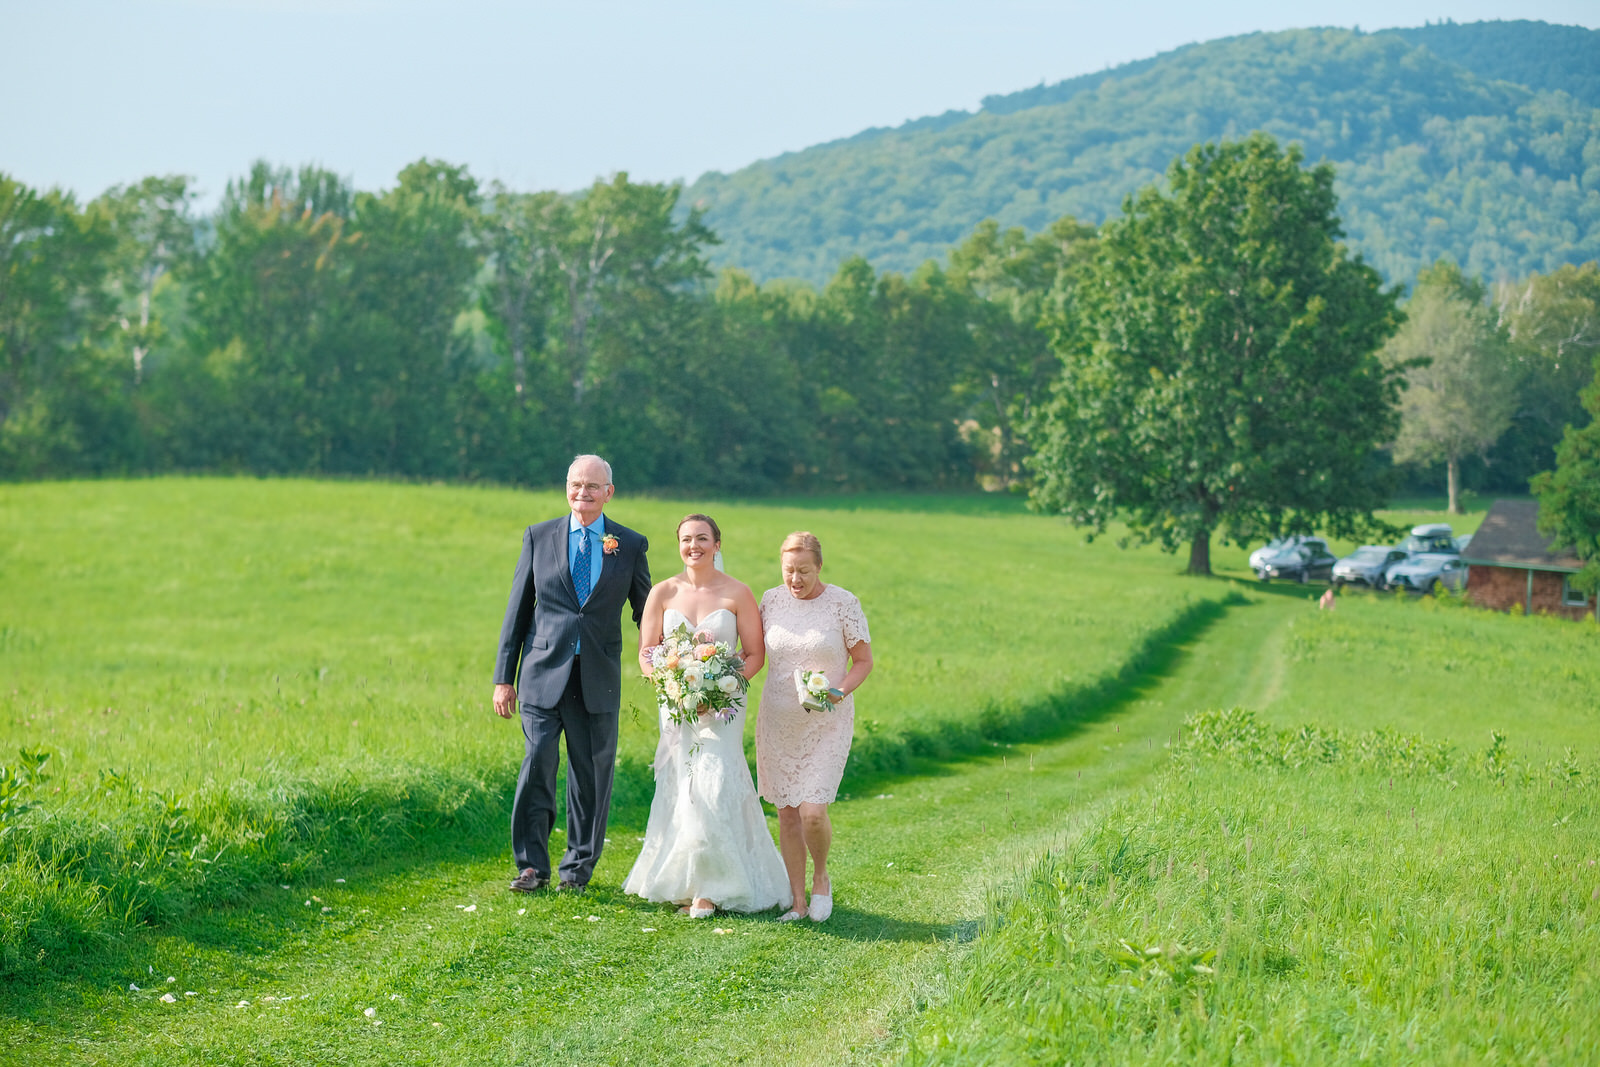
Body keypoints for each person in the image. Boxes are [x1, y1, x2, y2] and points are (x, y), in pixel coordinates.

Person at [493, 455, 652, 893]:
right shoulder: (538, 537)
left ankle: (577, 871)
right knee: (537, 762)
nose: (583, 493)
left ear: (609, 492)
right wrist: (503, 678)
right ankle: (531, 867)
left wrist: (673, 655)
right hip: (543, 675)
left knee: (590, 777)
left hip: (597, 680)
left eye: (592, 486)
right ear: (567, 487)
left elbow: (647, 612)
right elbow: (518, 609)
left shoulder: (630, 544)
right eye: (575, 484)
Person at [622, 515, 791, 917]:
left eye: (702, 538)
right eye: (686, 539)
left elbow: (754, 655)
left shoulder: (737, 593)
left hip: (724, 706)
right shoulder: (662, 593)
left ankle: (711, 888)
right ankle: (683, 880)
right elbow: (648, 654)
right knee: (682, 785)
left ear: (718, 544)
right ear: (678, 545)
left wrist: (721, 689)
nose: (693, 545)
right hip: (677, 706)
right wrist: (674, 685)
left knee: (714, 786)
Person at [755, 531, 873, 923]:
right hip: (778, 719)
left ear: (819, 566)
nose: (795, 580)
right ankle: (797, 902)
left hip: (827, 720)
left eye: (804, 571)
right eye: (789, 570)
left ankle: (820, 876)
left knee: (812, 812)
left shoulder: (843, 603)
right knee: (787, 814)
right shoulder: (770, 601)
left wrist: (839, 691)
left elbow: (863, 661)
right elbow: (753, 650)